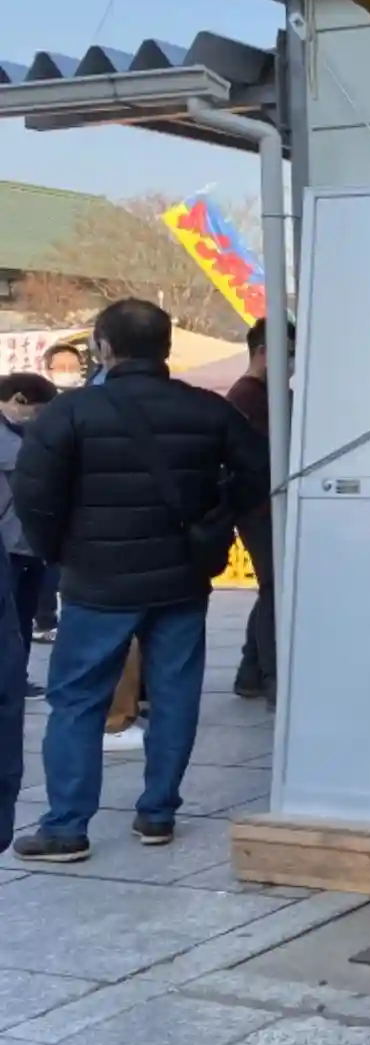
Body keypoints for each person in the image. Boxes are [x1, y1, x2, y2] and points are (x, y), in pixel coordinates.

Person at [9, 300, 269, 862]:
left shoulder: (71, 413)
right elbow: (257, 472)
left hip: (96, 581)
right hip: (181, 578)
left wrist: (60, 550)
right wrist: (214, 521)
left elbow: (33, 492)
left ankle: (66, 827)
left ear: (103, 346)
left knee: (78, 700)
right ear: (166, 347)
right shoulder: (209, 410)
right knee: (175, 694)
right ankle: (157, 814)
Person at [225, 318, 289, 702]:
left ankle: (250, 672)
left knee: (271, 588)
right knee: (275, 590)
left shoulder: (260, 394)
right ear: (264, 352)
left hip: (261, 506)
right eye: (289, 353)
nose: (293, 363)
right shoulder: (250, 397)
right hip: (260, 507)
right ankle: (270, 675)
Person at [0, 373, 56, 697]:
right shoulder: (11, 438)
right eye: (36, 411)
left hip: (31, 540)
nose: (37, 418)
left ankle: (16, 678)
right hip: (8, 541)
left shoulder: (25, 431)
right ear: (18, 400)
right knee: (8, 618)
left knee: (23, 615)